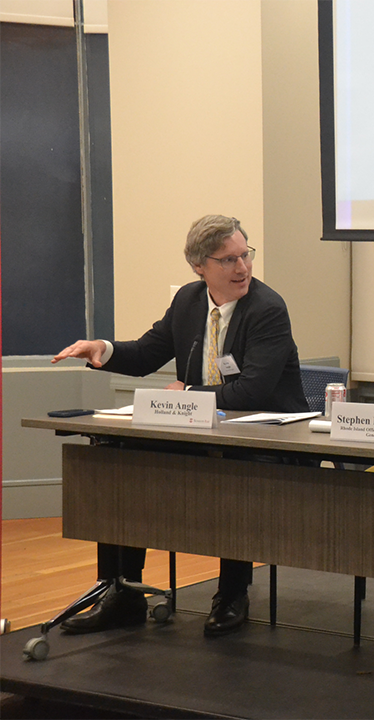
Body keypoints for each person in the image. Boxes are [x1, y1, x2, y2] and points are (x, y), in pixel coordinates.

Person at [52, 214, 308, 638]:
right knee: (118, 456)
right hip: (202, 428)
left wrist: (187, 392)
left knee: (236, 470)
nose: (243, 267)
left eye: (246, 255)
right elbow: (146, 353)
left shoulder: (267, 309)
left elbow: (252, 392)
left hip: (266, 437)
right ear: (199, 266)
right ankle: (123, 591)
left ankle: (232, 593)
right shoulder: (188, 301)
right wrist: (103, 349)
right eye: (229, 260)